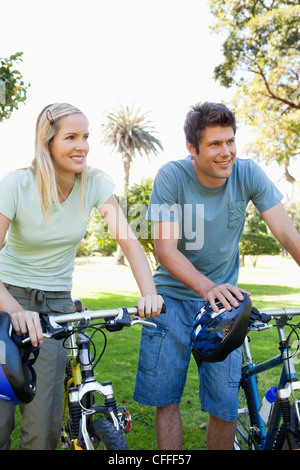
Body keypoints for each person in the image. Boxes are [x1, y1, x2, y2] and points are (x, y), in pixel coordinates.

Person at [133, 101, 300, 450]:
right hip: (173, 297)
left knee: (224, 407)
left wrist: (215, 292)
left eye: (230, 141)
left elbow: (287, 234)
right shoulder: (172, 177)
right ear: (192, 148)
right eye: (214, 144)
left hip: (225, 304)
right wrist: (207, 287)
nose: (226, 152)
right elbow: (165, 249)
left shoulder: (247, 172)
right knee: (167, 401)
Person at [0, 102, 163, 450]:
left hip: (56, 306)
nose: (82, 145)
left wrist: (149, 292)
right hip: (6, 299)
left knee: (43, 427)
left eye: (86, 136)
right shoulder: (16, 184)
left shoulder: (94, 183)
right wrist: (14, 309)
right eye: (71, 136)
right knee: (0, 419)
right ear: (47, 142)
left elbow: (129, 242)